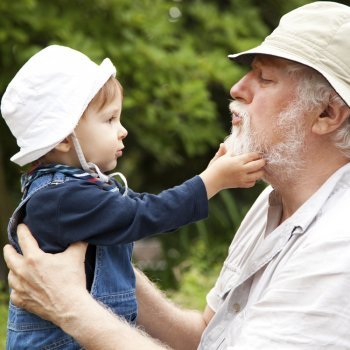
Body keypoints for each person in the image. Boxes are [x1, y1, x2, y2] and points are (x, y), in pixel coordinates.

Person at [4, 1, 350, 349]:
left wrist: (70, 306)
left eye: (264, 77)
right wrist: (97, 261)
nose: (237, 88)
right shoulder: (272, 203)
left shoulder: (339, 245)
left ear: (326, 113)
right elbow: (207, 337)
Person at [0, 45, 265, 350]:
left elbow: (139, 206)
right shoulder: (61, 199)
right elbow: (144, 214)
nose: (123, 130)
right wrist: (211, 182)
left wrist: (208, 175)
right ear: (63, 137)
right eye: (110, 119)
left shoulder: (78, 190)